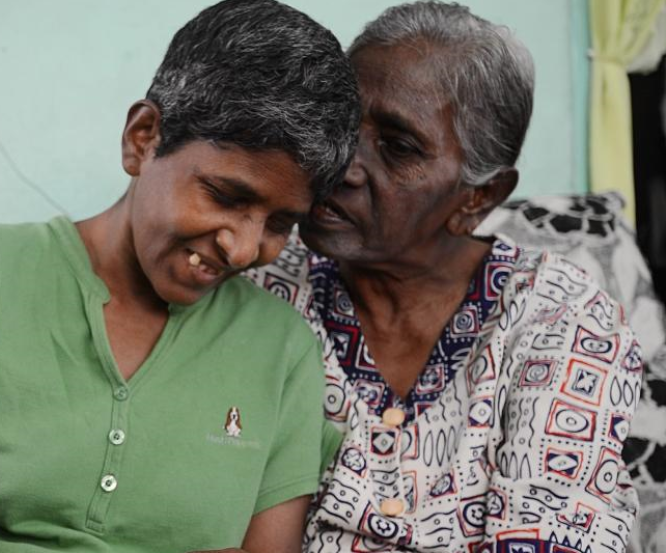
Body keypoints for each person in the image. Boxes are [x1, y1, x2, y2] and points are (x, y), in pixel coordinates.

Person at [0, 1, 360, 552]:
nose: (242, 249)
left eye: (279, 223)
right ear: (143, 138)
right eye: (225, 195)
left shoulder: (281, 352)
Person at [247, 2, 641, 551]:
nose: (343, 164)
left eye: (398, 147)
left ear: (479, 197)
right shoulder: (257, 283)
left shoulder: (558, 318)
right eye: (340, 121)